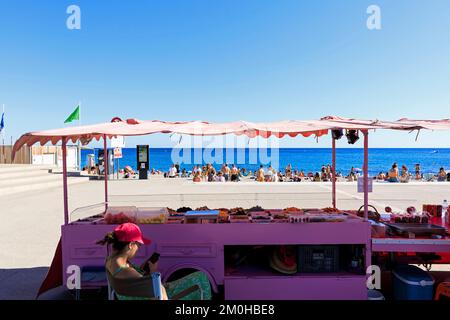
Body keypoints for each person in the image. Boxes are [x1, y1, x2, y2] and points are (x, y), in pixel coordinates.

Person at [98, 223, 211, 300]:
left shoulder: (111, 261)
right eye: (139, 245)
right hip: (161, 294)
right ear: (131, 245)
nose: (139, 248)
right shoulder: (128, 272)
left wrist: (144, 270)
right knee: (201, 279)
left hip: (139, 293)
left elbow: (138, 281)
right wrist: (154, 273)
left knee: (200, 276)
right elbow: (159, 294)